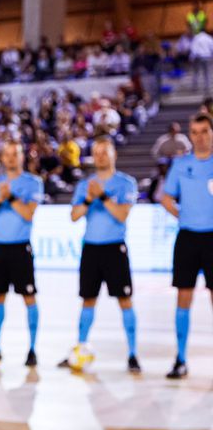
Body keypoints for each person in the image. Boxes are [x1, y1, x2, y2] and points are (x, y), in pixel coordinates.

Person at [59, 137, 141, 373]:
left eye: (104, 152)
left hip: (115, 248)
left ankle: (133, 354)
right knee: (87, 299)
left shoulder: (126, 183)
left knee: (125, 300)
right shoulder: (86, 185)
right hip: (91, 249)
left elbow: (122, 215)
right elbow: (74, 216)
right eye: (96, 153)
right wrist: (89, 198)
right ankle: (80, 346)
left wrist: (102, 196)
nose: (100, 157)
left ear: (113, 153)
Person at [0, 141, 44, 366]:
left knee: (29, 296)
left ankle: (32, 349)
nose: (11, 158)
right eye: (7, 154)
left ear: (22, 156)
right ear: (2, 158)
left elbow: (29, 213)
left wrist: (11, 198)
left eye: (15, 154)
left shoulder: (32, 182)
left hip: (20, 247)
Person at [160, 113, 213, 379]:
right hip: (188, 237)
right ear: (190, 135)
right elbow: (165, 198)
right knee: (183, 299)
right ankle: (180, 358)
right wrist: (185, 214)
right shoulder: (181, 165)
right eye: (195, 132)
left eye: (204, 131)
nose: (200, 136)